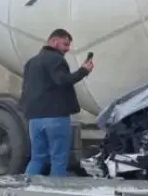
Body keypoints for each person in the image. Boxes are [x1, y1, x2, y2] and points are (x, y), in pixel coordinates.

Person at [20, 28, 94, 176]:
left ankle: (25, 192)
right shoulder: (56, 59)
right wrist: (83, 71)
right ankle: (55, 193)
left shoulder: (31, 62)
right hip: (55, 117)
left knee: (37, 158)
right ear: (54, 41)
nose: (67, 49)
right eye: (65, 44)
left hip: (34, 119)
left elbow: (25, 89)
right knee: (58, 158)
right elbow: (62, 80)